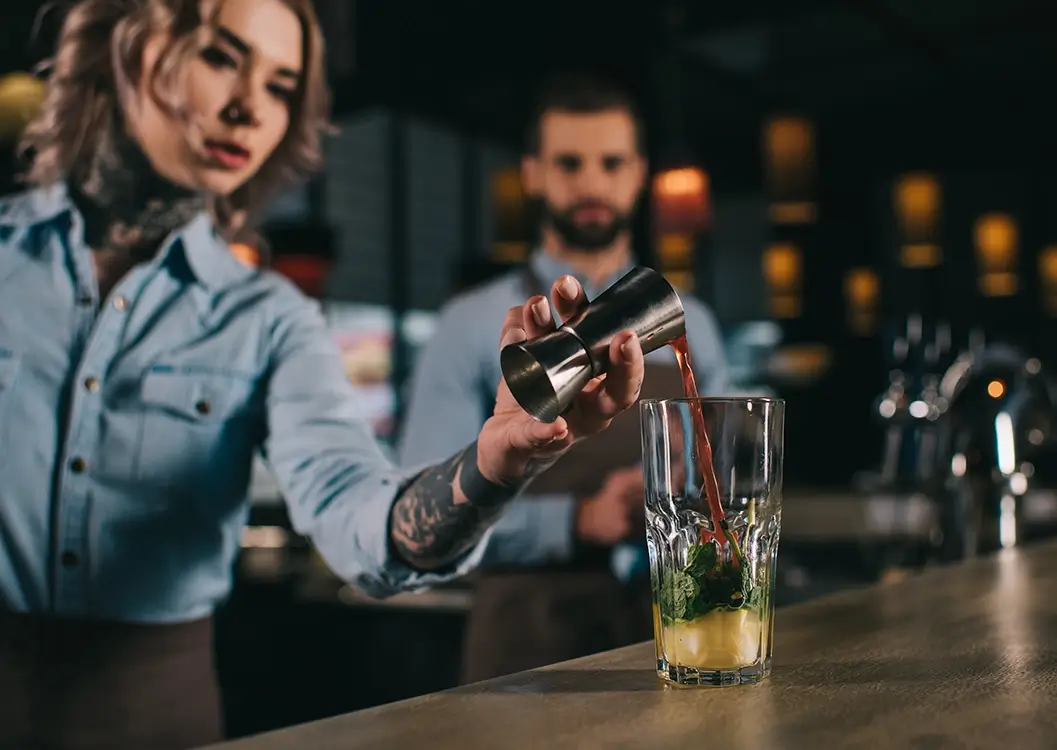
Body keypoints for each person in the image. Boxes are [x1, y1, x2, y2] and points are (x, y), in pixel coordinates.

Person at [0, 4, 647, 749]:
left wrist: (490, 463)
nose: (249, 109)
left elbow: (358, 521)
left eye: (280, 87)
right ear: (133, 44)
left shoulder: (268, 318)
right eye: (220, 57)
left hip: (157, 718)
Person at [400, 72, 729, 683]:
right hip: (524, 663)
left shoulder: (695, 326)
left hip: (672, 645)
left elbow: (730, 475)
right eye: (569, 163)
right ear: (533, 173)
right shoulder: (472, 325)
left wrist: (680, 486)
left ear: (639, 172)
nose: (592, 184)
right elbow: (419, 511)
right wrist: (576, 521)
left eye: (611, 162)